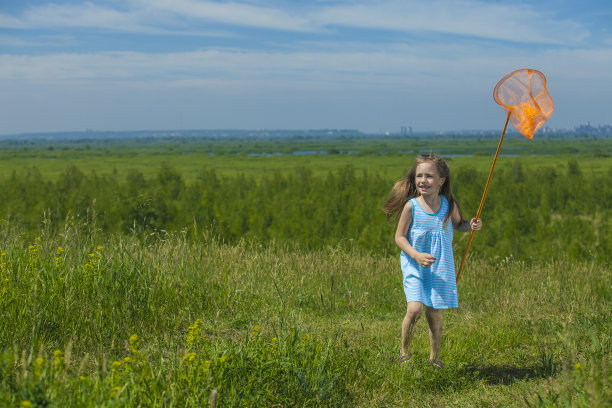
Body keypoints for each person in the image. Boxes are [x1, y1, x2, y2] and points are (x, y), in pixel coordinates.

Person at [382, 154, 482, 367]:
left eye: (429, 176)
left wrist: (470, 225)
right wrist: (416, 255)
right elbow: (399, 238)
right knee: (415, 309)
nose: (423, 180)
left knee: (434, 313)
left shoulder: (448, 205)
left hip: (439, 267)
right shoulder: (411, 206)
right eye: (419, 176)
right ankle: (404, 352)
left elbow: (459, 224)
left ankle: (435, 359)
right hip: (413, 264)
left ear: (441, 180)